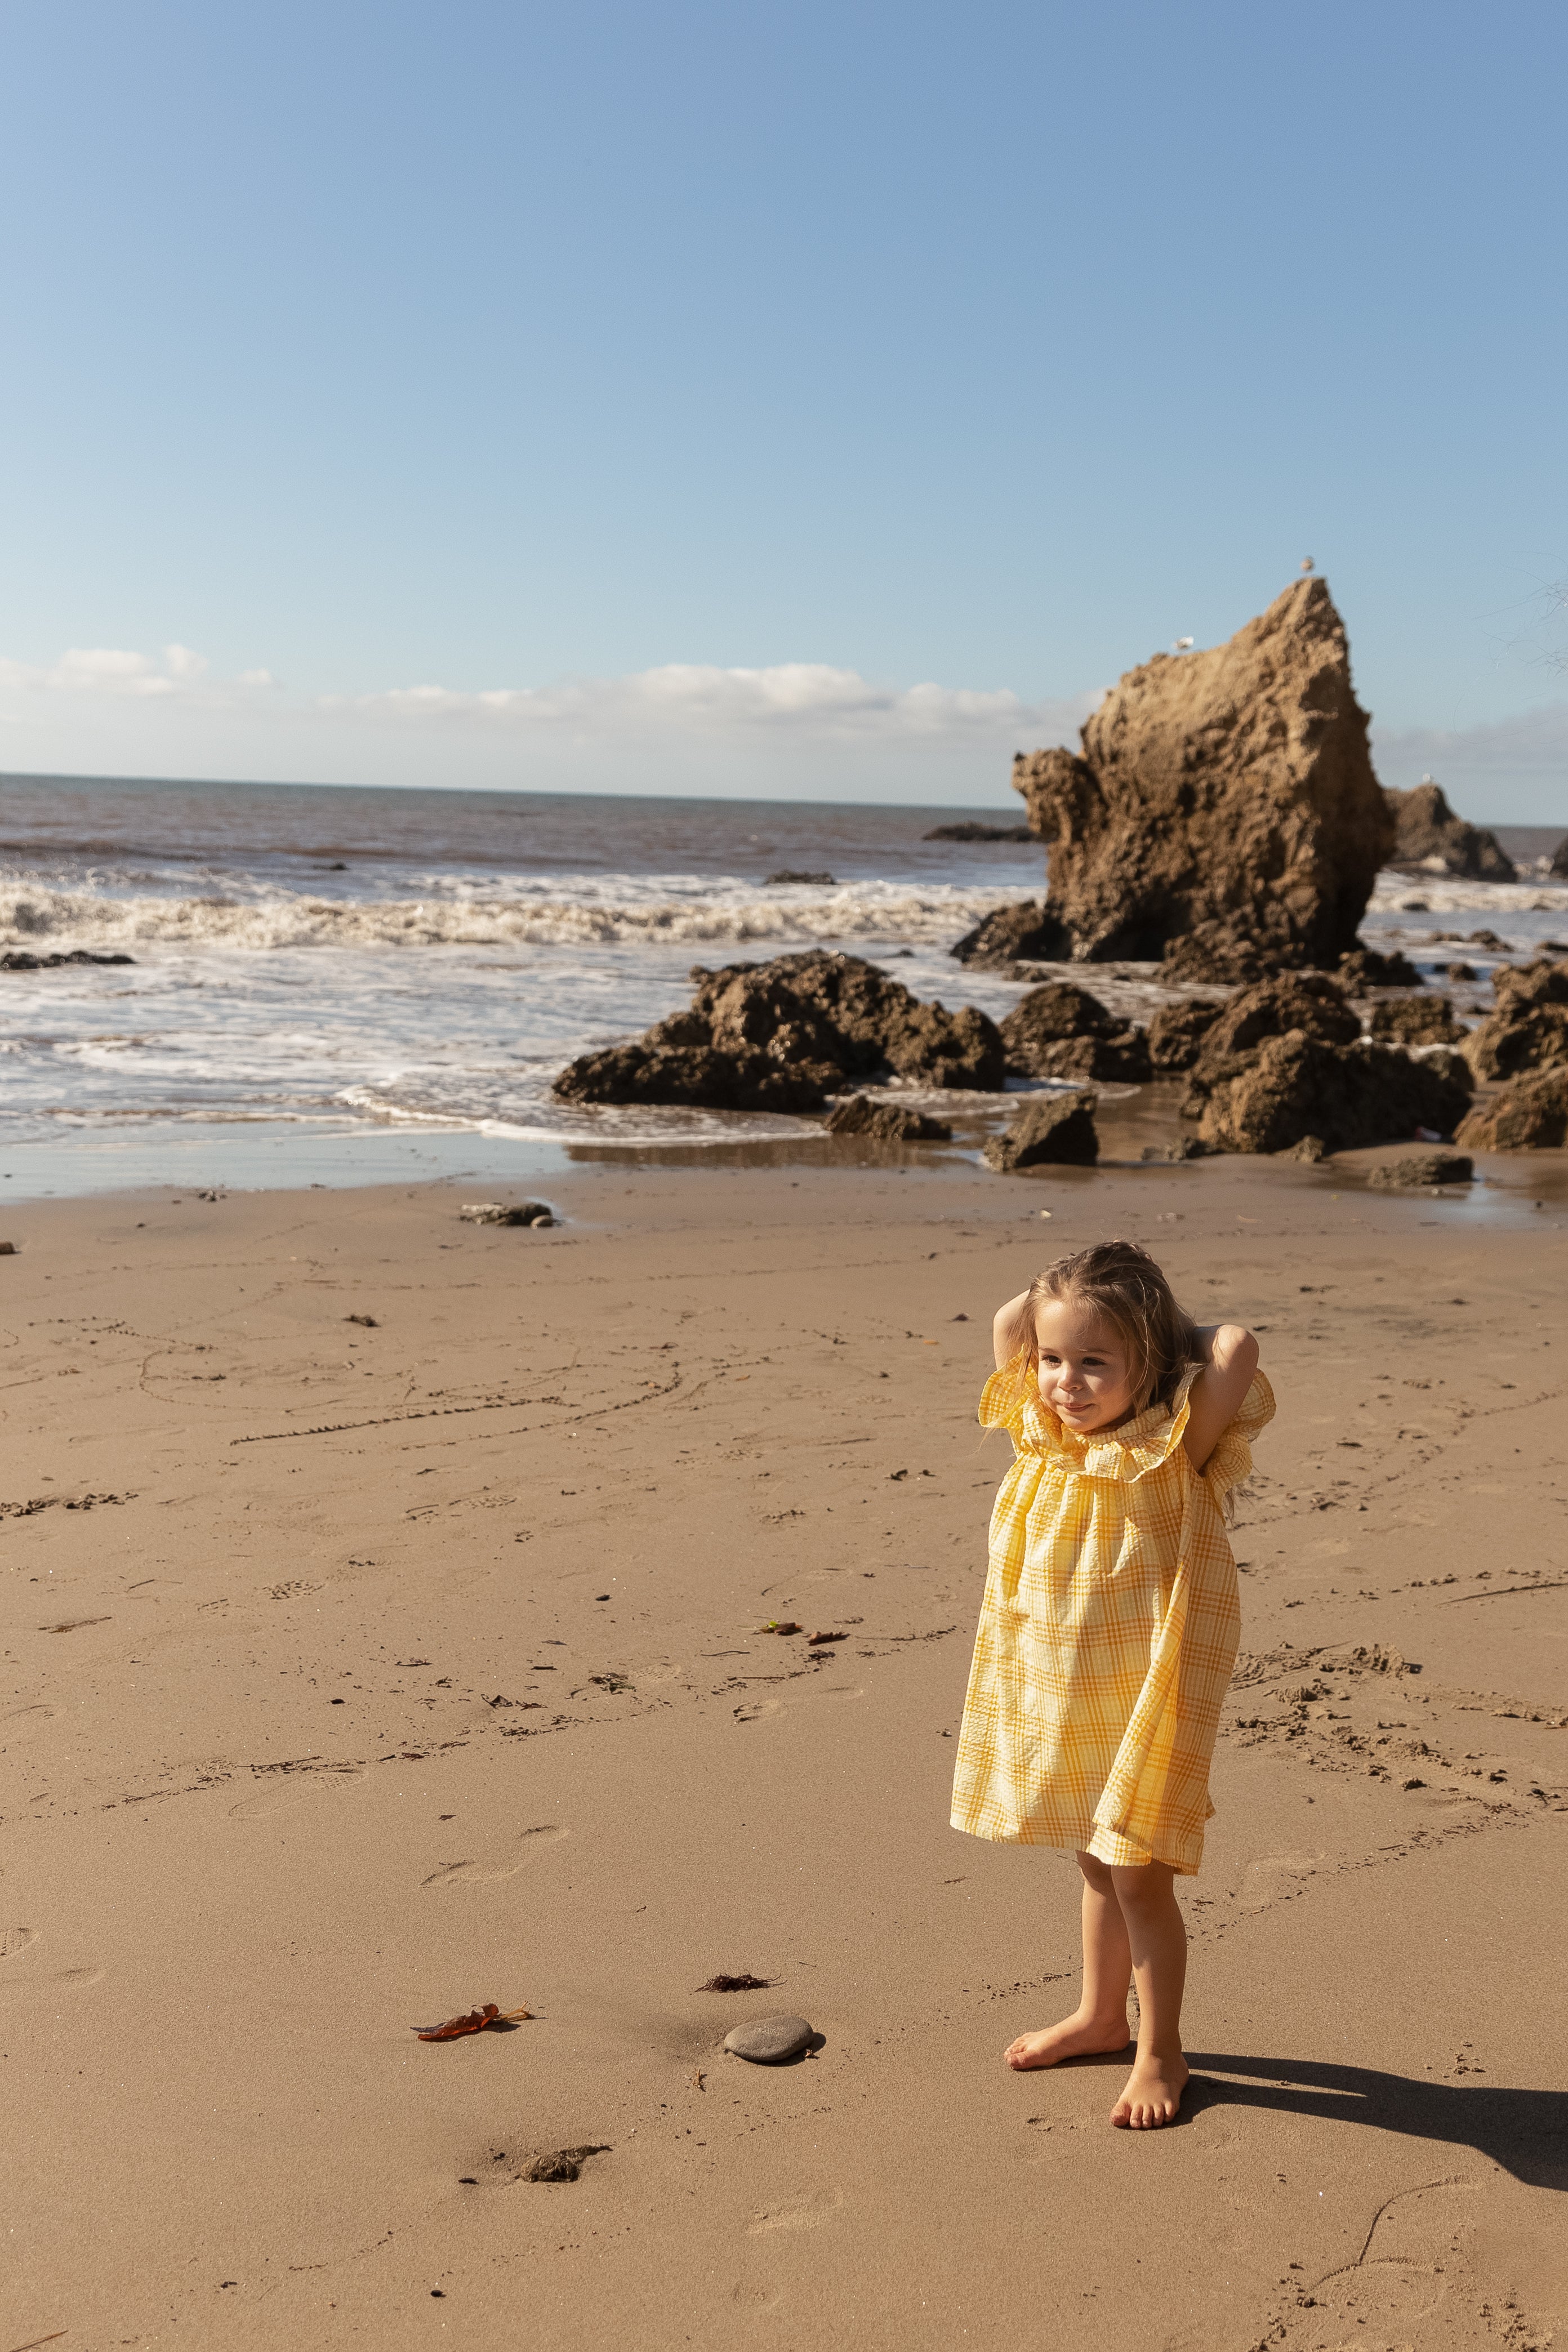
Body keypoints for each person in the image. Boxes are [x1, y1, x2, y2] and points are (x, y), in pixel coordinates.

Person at [949, 1239, 1273, 2129]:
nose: (1066, 1381)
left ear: (1150, 1363)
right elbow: (1011, 1322)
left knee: (1138, 1876)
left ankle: (1161, 2048)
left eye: (1096, 1363)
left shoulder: (1176, 1445)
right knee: (1095, 1864)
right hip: (1063, 1685)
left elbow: (1235, 1347)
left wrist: (1165, 1334)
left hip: (1151, 1693)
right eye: (1055, 1361)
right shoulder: (1042, 1434)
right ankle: (1098, 2016)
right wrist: (1069, 1312)